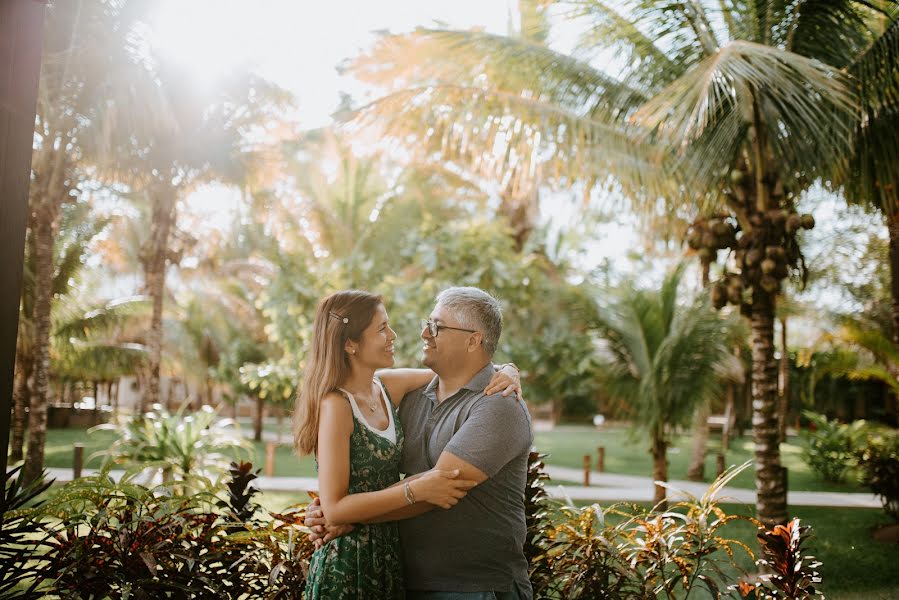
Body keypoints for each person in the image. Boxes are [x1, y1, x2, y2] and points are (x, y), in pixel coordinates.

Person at [307, 287, 534, 599]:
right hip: (402, 578)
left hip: (474, 587)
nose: (424, 333)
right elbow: (389, 478)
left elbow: (437, 490)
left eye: (438, 326)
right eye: (428, 323)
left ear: (472, 340)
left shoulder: (498, 404)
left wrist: (346, 516)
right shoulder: (411, 395)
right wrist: (337, 510)